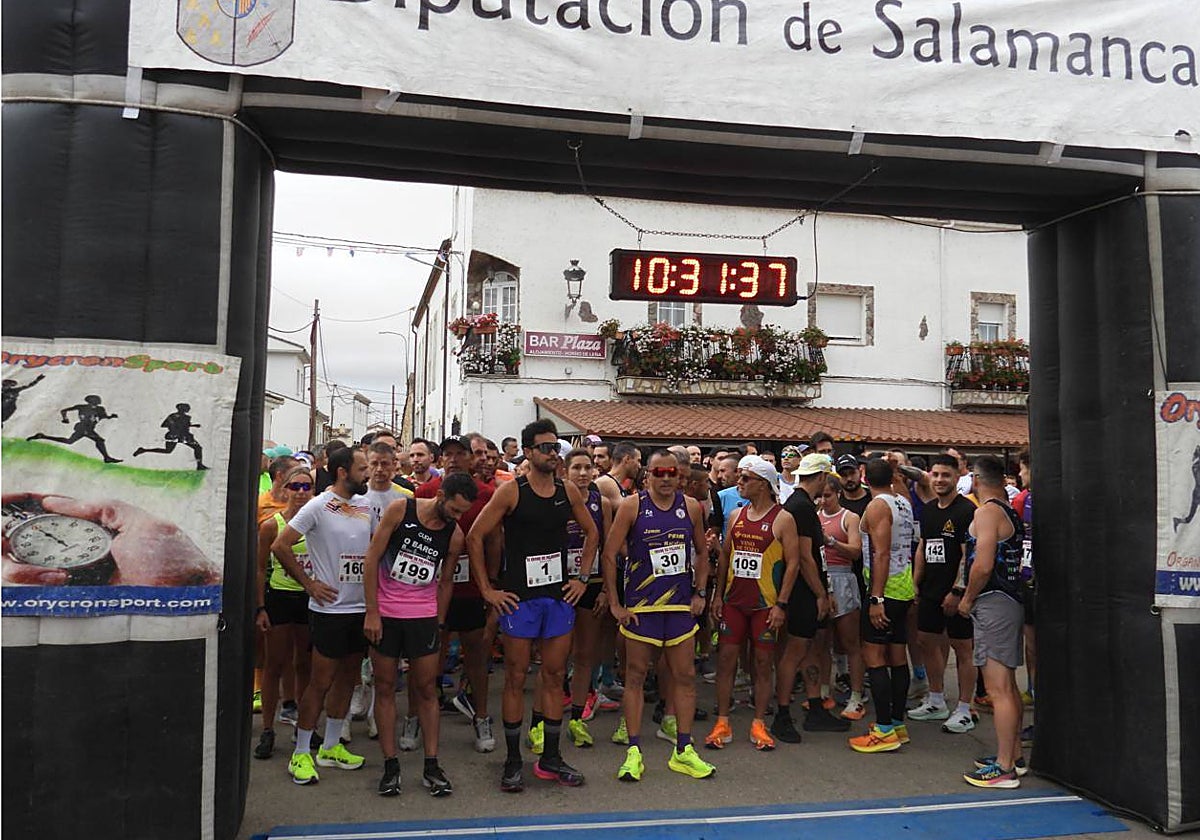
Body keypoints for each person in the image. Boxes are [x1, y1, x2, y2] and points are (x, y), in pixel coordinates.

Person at [470, 419, 599, 792]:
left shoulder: (568, 490)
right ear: (527, 452)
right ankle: (513, 761)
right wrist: (487, 591)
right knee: (514, 676)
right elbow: (476, 535)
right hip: (519, 598)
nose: (552, 454)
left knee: (555, 675)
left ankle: (551, 759)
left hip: (557, 597)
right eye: (545, 448)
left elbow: (592, 531)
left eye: (555, 447)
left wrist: (582, 577)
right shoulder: (512, 492)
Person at [363, 472, 478, 797]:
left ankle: (431, 763)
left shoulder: (454, 535)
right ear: (441, 494)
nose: (457, 518)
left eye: (462, 513)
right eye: (454, 510)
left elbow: (445, 581)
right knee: (385, 688)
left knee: (426, 689)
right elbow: (372, 557)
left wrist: (439, 621)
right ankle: (390, 765)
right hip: (386, 614)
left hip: (423, 616)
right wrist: (372, 611)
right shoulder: (401, 510)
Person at [603, 450, 715, 781]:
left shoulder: (691, 507)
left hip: (679, 607)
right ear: (647, 475)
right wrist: (614, 603)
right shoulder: (632, 506)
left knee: (685, 677)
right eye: (658, 473)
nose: (665, 478)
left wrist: (701, 593)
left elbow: (702, 553)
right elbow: (609, 555)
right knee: (635, 677)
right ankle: (634, 752)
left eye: (671, 473)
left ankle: (683, 750)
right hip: (642, 608)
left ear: (679, 476)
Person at [272, 446, 373, 785]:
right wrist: (309, 584)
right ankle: (301, 752)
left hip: (359, 608)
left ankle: (330, 747)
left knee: (347, 678)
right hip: (329, 609)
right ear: (343, 472)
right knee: (321, 681)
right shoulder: (317, 505)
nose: (367, 474)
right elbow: (281, 545)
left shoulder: (364, 504)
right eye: (362, 468)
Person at [705, 455, 801, 752]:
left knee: (762, 664)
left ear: (764, 484)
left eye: (746, 478)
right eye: (740, 477)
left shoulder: (783, 519)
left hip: (765, 605)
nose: (739, 482)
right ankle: (722, 721)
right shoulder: (735, 515)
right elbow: (725, 558)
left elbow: (794, 564)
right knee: (726, 661)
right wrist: (717, 595)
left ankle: (759, 722)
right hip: (734, 602)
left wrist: (781, 605)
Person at [414, 435, 497, 753]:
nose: (452, 459)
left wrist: (490, 581)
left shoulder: (487, 494)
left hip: (471, 588)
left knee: (476, 656)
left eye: (459, 453)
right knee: (427, 658)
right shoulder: (424, 492)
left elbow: (493, 541)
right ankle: (417, 716)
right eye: (446, 454)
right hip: (430, 588)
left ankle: (482, 716)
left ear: (470, 458)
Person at [959, 454, 1027, 788]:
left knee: (998, 688)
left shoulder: (986, 512)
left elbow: (983, 564)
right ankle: (1012, 755)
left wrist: (968, 597)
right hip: (1008, 601)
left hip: (992, 602)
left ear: (975, 478)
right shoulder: (1009, 509)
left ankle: (1004, 768)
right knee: (1008, 685)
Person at [848, 457, 917, 754]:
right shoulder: (902, 501)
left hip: (885, 588)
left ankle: (885, 728)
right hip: (903, 586)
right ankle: (898, 723)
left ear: (864, 476)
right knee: (897, 655)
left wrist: (875, 598)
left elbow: (882, 553)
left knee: (874, 656)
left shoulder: (878, 506)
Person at [775, 453, 843, 740]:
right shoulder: (800, 506)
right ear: (821, 477)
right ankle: (782, 714)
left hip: (810, 589)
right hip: (804, 592)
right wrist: (821, 593)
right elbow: (804, 557)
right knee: (796, 651)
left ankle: (816, 705)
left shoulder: (802, 504)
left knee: (812, 649)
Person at [910, 455, 978, 731]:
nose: (939, 480)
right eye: (935, 475)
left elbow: (969, 555)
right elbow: (923, 548)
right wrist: (915, 583)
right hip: (929, 590)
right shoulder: (928, 511)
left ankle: (964, 708)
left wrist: (958, 591)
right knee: (926, 641)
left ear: (957, 476)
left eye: (945, 475)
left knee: (962, 648)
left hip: (956, 593)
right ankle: (936, 700)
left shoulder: (966, 511)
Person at [253, 466, 315, 760]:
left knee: (305, 664)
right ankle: (267, 728)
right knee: (274, 665)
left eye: (307, 487)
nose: (301, 492)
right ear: (285, 490)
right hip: (279, 597)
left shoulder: (318, 523)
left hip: (308, 599)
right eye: (296, 487)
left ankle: (303, 725)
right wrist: (260, 607)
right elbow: (259, 568)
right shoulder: (271, 525)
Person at [561, 449, 613, 747]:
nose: (583, 473)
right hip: (560, 584)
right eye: (576, 467)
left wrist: (606, 590)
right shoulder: (557, 500)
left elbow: (606, 547)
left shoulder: (601, 502)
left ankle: (578, 719)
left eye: (587, 467)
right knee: (556, 657)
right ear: (565, 471)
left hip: (591, 584)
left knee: (584, 655)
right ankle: (546, 719)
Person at [817, 475, 867, 720]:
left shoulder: (850, 517)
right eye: (821, 495)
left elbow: (856, 551)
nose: (823, 500)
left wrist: (832, 542)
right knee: (822, 641)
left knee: (850, 641)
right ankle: (823, 691)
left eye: (827, 495)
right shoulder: (815, 517)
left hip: (843, 577)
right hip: (821, 579)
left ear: (837, 493)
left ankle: (856, 696)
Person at [26, 394, 122, 462]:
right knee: (99, 440)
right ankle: (106, 458)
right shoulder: (81, 407)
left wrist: (110, 417)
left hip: (89, 428)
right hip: (83, 427)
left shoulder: (100, 409)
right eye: (96, 400)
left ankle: (42, 436)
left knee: (69, 441)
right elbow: (64, 410)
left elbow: (103, 416)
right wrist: (65, 419)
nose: (98, 401)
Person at [131, 403, 208, 470]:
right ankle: (144, 450)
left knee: (197, 448)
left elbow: (184, 426)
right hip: (175, 435)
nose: (187, 409)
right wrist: (173, 424)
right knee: (168, 451)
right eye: (186, 408)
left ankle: (199, 465)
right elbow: (164, 425)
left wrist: (192, 425)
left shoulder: (186, 417)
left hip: (182, 435)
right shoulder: (173, 416)